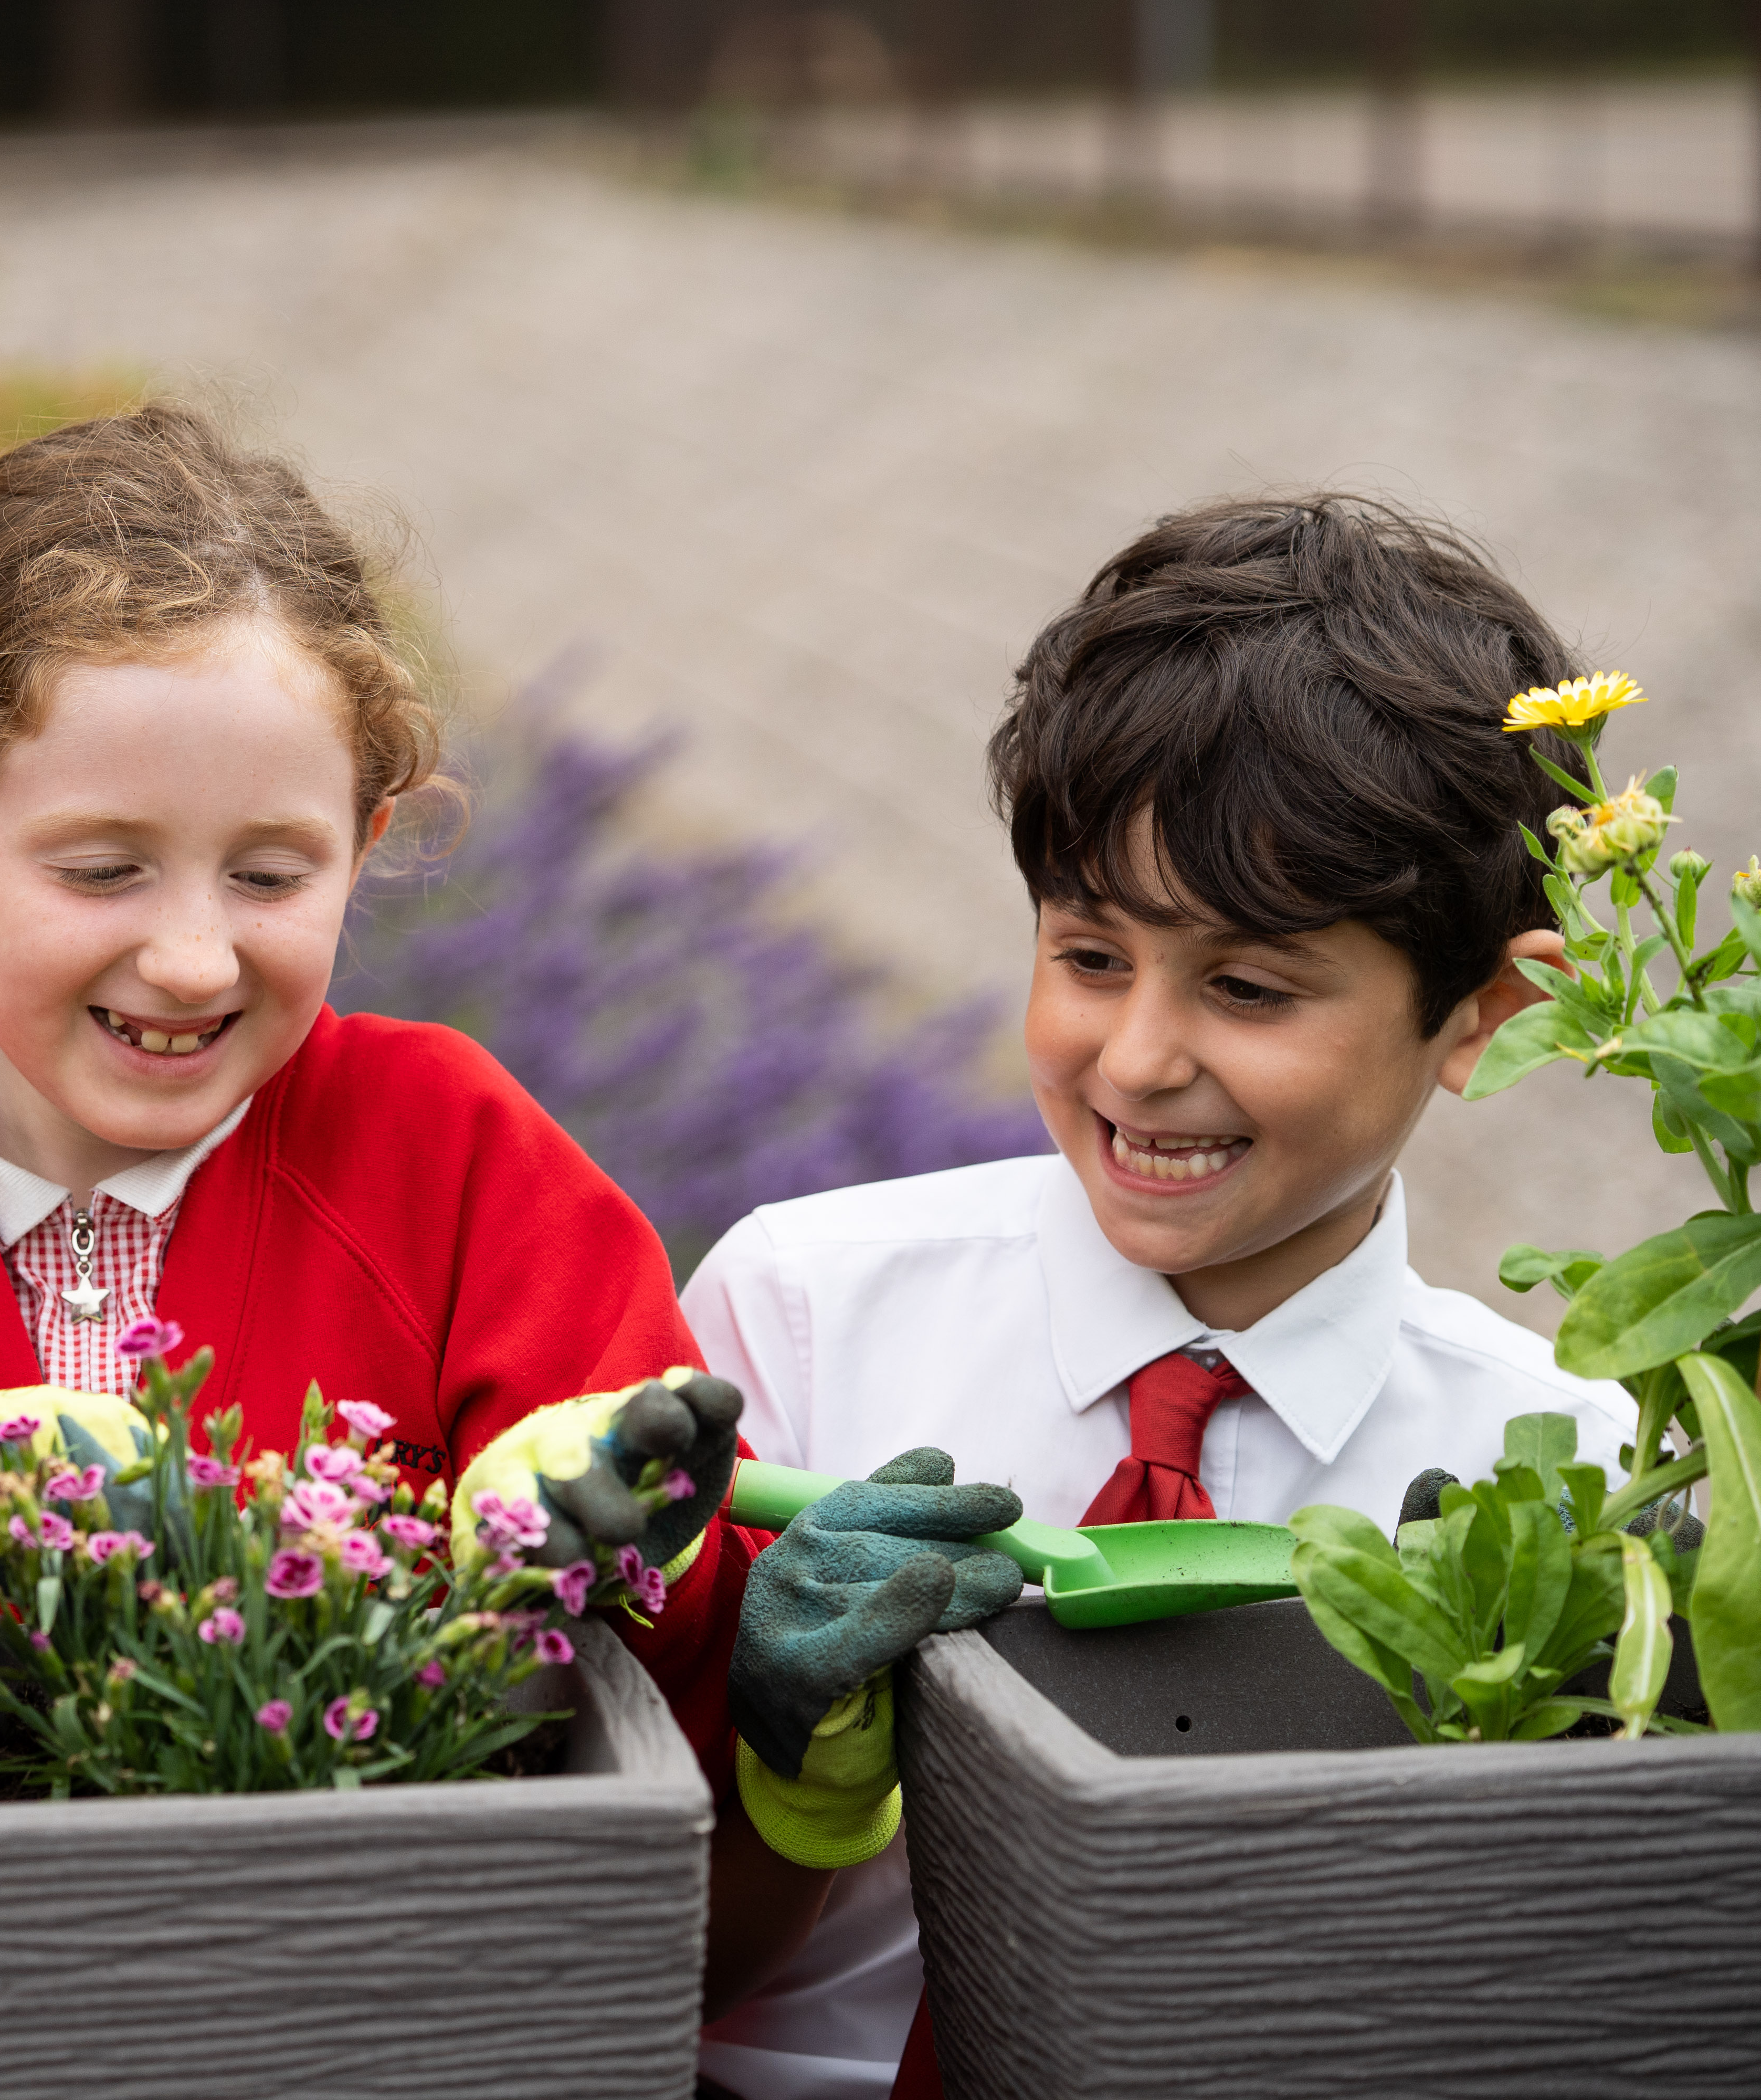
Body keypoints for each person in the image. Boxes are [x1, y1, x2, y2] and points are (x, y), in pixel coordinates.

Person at [0, 404, 1018, 1998]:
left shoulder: (459, 1167)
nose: (195, 955)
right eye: (102, 868)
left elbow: (695, 1926)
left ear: (366, 844)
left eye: (272, 874)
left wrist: (762, 1682)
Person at [683, 494, 1640, 2100]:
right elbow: (643, 1953)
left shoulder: (1570, 1462)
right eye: (1091, 956)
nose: (1137, 1061)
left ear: (1491, 1015)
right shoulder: (800, 1313)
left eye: (1250, 987)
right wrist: (787, 1753)